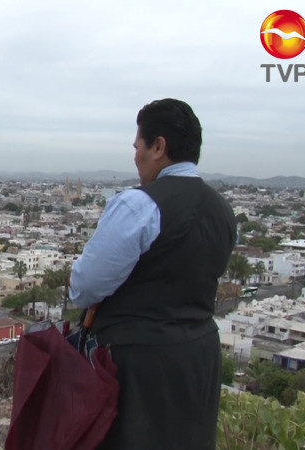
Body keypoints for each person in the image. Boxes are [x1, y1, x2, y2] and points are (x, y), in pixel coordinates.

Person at [68, 98, 236, 449]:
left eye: (137, 146)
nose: (135, 155)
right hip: (200, 354)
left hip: (138, 361)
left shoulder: (139, 204)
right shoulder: (223, 211)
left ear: (158, 146)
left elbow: (85, 287)